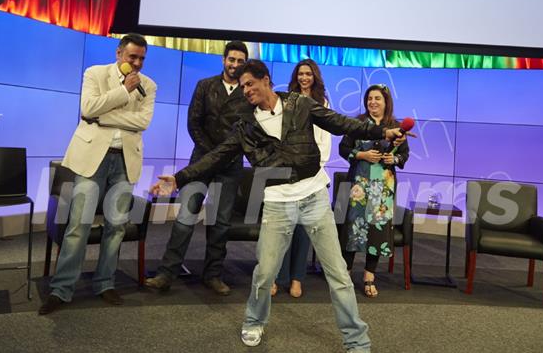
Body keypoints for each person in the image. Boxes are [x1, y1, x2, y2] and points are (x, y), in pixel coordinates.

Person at [151, 60, 407, 352]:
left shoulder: (300, 104)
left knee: (337, 273)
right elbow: (218, 155)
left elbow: (341, 123)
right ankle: (254, 321)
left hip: (313, 197)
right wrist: (181, 177)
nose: (246, 90)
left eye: (250, 83)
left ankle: (356, 338)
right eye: (243, 86)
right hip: (277, 202)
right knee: (264, 273)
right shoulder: (245, 125)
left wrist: (382, 133)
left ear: (266, 80)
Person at [39, 34, 157, 315]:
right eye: (132, 57)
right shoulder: (95, 73)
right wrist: (123, 92)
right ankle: (62, 288)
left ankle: (104, 283)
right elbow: (88, 109)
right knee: (78, 225)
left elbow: (143, 122)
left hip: (125, 161)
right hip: (93, 157)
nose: (137, 63)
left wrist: (102, 117)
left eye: (141, 58)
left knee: (116, 226)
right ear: (119, 54)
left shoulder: (149, 85)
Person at [145, 40, 251, 295]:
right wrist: (211, 153)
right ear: (223, 60)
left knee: (221, 223)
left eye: (239, 61)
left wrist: (223, 155)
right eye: (231, 59)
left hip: (231, 165)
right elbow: (194, 123)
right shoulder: (205, 85)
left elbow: (247, 132)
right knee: (184, 218)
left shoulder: (249, 94)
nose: (235, 65)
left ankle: (213, 275)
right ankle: (167, 273)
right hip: (200, 161)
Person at [339, 84, 409, 299]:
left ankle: (369, 276)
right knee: (354, 227)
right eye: (369, 98)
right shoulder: (357, 124)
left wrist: (393, 159)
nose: (373, 102)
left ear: (386, 102)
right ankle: (345, 273)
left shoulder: (396, 127)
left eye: (377, 98)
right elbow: (343, 149)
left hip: (383, 187)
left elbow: (404, 156)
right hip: (359, 185)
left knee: (377, 232)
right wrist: (362, 155)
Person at [271, 59, 331, 299]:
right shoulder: (286, 101)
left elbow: (325, 139)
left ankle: (297, 278)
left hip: (313, 173)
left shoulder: (323, 103)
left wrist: (316, 167)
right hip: (288, 171)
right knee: (284, 227)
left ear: (315, 77)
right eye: (301, 74)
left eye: (309, 74)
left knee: (303, 229)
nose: (305, 78)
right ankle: (279, 276)